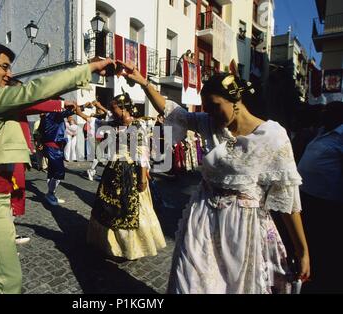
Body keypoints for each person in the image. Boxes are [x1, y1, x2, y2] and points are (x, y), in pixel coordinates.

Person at [118, 60, 310, 293]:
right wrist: (144, 83)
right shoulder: (210, 123)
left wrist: (302, 252)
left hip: (243, 227)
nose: (209, 113)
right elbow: (174, 112)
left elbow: (288, 201)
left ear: (236, 101)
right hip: (202, 217)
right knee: (188, 283)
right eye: (206, 108)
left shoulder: (273, 137)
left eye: (215, 106)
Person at [0, 37, 113, 294]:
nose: (10, 73)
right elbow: (31, 92)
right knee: (7, 282)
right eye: (5, 66)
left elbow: (31, 101)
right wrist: (87, 69)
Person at [85, 92, 166, 260]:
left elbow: (141, 153)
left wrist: (143, 178)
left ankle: (130, 247)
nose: (111, 110)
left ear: (123, 108)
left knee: (128, 209)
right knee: (107, 207)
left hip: (129, 171)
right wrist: (80, 111)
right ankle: (112, 245)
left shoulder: (136, 125)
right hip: (112, 169)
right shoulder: (114, 123)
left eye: (114, 108)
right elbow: (96, 121)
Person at [297, 101, 343, 293]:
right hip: (305, 196)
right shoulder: (321, 130)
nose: (324, 113)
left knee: (322, 242)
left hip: (325, 201)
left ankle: (320, 280)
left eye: (328, 111)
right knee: (308, 238)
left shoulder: (340, 136)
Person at [37, 101, 77, 206]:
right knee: (59, 172)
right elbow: (65, 113)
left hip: (54, 146)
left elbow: (41, 131)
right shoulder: (53, 114)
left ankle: (51, 193)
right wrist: (79, 107)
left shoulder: (48, 116)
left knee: (52, 171)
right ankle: (50, 193)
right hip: (53, 147)